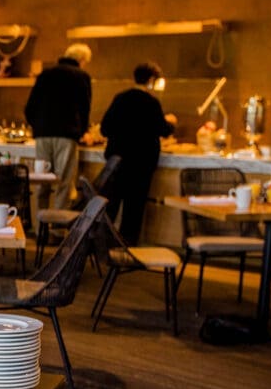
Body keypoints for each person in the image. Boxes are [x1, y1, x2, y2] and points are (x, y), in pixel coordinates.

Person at [100, 62, 176, 245]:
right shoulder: (151, 102)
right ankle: (127, 247)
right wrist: (171, 122)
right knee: (134, 208)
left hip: (117, 160)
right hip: (142, 163)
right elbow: (163, 129)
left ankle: (103, 243)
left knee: (111, 204)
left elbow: (105, 128)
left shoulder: (120, 98)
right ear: (151, 80)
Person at [25, 43, 92, 213]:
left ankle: (41, 226)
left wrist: (37, 126)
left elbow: (30, 106)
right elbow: (85, 108)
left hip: (42, 135)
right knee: (64, 183)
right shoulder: (81, 76)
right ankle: (57, 229)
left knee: (43, 180)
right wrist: (82, 132)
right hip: (66, 135)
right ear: (82, 60)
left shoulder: (45, 74)